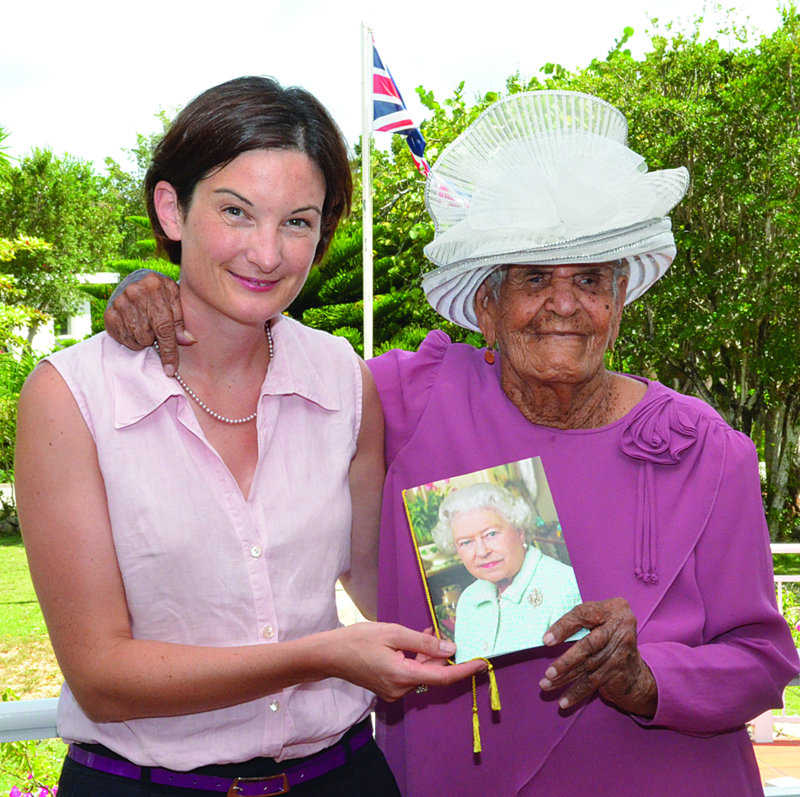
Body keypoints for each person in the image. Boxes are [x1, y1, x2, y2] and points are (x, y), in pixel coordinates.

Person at [104, 90, 799, 795]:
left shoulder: (705, 450)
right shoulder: (406, 398)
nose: (565, 304)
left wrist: (647, 677)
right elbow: (253, 362)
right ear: (486, 307)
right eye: (534, 279)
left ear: (620, 300)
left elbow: (763, 657)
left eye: (591, 280)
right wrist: (154, 291)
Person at [15, 76, 485, 797]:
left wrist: (522, 599)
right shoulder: (72, 394)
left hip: (341, 777)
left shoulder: (340, 377)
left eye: (297, 221)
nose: (267, 253)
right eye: (237, 212)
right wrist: (321, 655)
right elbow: (102, 678)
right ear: (172, 207)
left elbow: (376, 576)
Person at [431, 482, 583, 663]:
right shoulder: (468, 599)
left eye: (491, 534)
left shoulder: (566, 585)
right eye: (466, 542)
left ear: (520, 531)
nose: (481, 552)